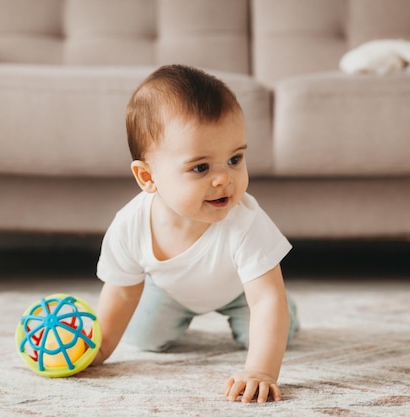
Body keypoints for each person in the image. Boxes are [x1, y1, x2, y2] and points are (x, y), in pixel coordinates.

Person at [92, 64, 298, 403]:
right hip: (169, 289)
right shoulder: (130, 225)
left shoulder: (244, 220)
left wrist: (261, 371)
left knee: (274, 329)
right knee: (143, 337)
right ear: (148, 178)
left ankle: (292, 311)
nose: (224, 179)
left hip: (240, 290)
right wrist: (98, 349)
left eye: (235, 159)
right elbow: (122, 294)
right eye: (201, 167)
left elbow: (264, 299)